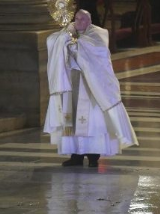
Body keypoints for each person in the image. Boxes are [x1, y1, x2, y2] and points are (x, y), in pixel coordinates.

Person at [43, 9, 138, 167]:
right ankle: (75, 155)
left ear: (89, 21)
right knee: (71, 119)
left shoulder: (98, 33)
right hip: (72, 83)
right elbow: (52, 41)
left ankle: (94, 155)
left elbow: (98, 52)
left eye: (83, 19)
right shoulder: (68, 31)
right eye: (77, 18)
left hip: (92, 87)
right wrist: (64, 39)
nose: (79, 22)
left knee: (93, 121)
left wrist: (75, 43)